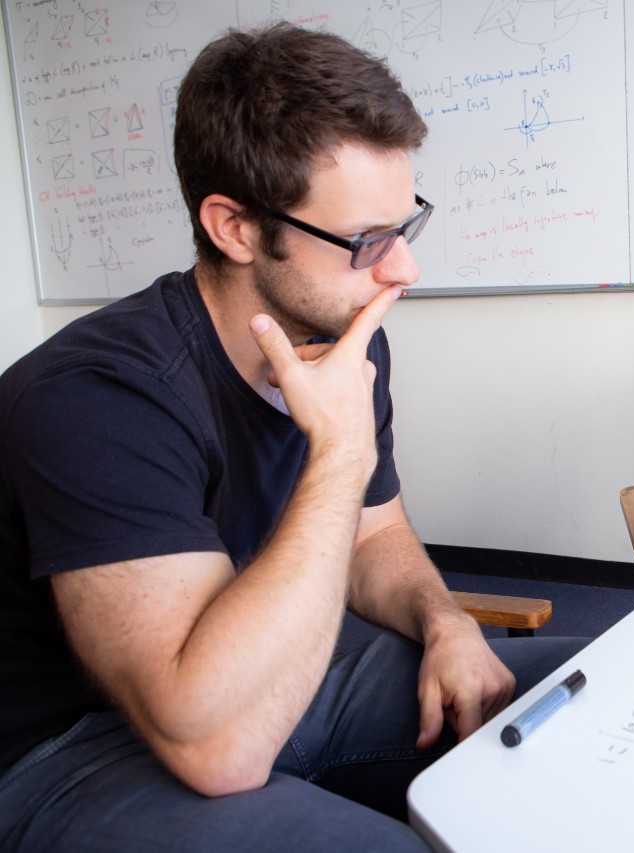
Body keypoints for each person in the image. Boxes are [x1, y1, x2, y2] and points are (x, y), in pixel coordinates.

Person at [0, 24, 586, 851]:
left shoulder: (342, 332)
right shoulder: (96, 395)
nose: (403, 272)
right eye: (365, 243)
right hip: (76, 746)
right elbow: (218, 746)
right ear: (235, 227)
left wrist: (447, 621)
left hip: (270, 660)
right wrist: (341, 451)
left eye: (403, 226)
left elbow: (374, 534)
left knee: (598, 694)